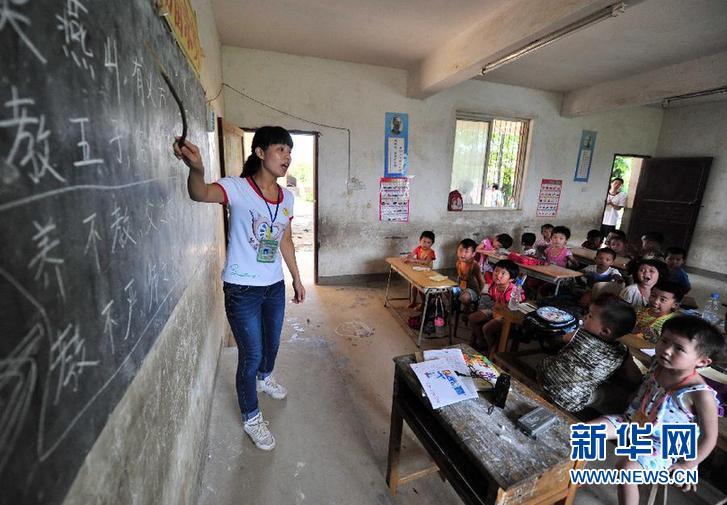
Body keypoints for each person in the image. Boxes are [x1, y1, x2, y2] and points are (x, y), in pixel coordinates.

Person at [173, 126, 305, 451]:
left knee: (271, 345)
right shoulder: (237, 188)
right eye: (280, 150)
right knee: (252, 353)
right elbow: (200, 193)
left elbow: (284, 238)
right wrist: (197, 169)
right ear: (260, 152)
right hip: (242, 288)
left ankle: (265, 379)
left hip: (273, 286)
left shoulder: (286, 196)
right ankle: (251, 417)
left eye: (289, 151)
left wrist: (296, 278)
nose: (287, 157)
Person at [590, 316, 725, 505]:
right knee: (586, 433)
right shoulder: (657, 364)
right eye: (664, 341)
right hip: (633, 422)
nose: (667, 350)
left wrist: (686, 466)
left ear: (702, 361)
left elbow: (709, 438)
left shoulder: (701, 395)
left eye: (679, 348)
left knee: (626, 469)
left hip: (665, 444)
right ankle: (564, 482)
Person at [536, 295, 637, 412]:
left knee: (553, 359)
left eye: (589, 316)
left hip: (544, 379)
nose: (584, 317)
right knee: (613, 392)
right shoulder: (623, 352)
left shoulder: (578, 334)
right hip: (572, 401)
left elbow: (557, 337)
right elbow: (634, 377)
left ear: (605, 331)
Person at [468, 259, 525, 353]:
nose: (498, 275)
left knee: (487, 328)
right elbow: (494, 303)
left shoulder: (513, 292)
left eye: (503, 273)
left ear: (511, 278)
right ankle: (483, 342)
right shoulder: (494, 285)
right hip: (497, 310)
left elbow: (511, 311)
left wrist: (496, 315)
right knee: (473, 318)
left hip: (509, 316)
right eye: (496, 271)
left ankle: (493, 350)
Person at [404, 231, 436, 308]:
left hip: (427, 273)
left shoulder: (431, 252)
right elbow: (411, 255)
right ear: (420, 241)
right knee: (414, 287)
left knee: (421, 289)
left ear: (432, 244)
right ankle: (413, 301)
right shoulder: (418, 248)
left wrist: (414, 260)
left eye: (428, 242)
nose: (425, 244)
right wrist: (408, 257)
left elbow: (426, 262)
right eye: (424, 241)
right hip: (418, 271)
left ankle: (423, 304)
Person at [454, 239, 484, 311]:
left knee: (464, 297)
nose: (462, 254)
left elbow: (482, 282)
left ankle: (467, 307)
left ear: (473, 254)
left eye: (466, 252)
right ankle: (453, 306)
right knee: (444, 291)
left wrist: (479, 294)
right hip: (461, 287)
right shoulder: (458, 263)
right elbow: (460, 277)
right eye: (460, 250)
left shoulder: (474, 265)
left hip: (472, 290)